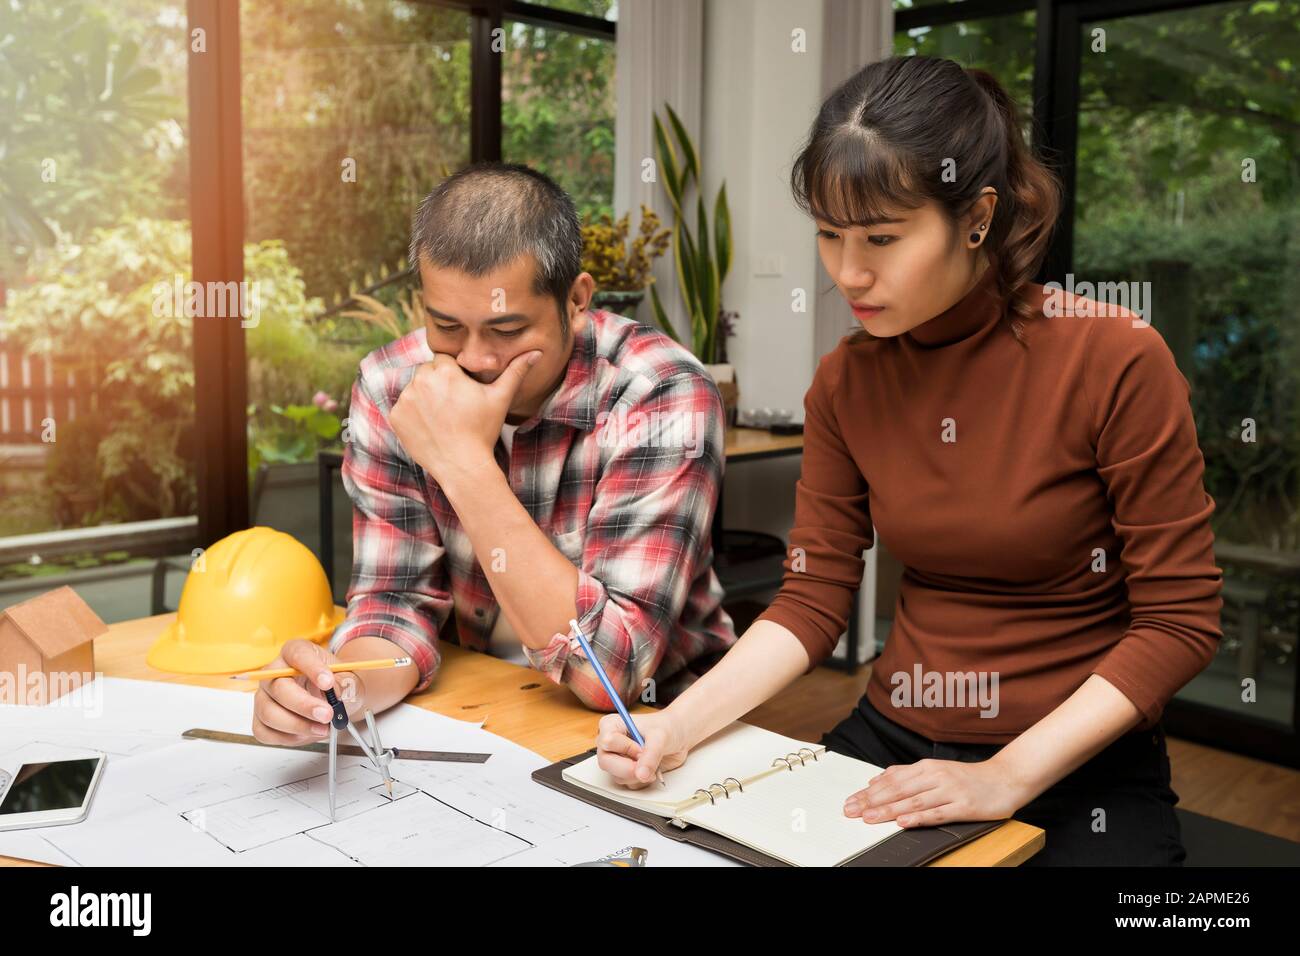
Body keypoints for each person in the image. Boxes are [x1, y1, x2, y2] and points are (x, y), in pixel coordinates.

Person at [594, 56, 1223, 866]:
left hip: (1078, 762)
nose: (848, 273)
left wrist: (1004, 777)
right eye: (828, 235)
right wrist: (676, 724)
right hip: (894, 739)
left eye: (883, 238)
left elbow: (1179, 620)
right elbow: (814, 597)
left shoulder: (1113, 358)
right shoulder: (848, 381)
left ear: (977, 217)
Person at [251, 162, 736, 748]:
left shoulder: (660, 392)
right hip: (494, 707)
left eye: (506, 330)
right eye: (447, 325)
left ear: (577, 299)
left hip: (663, 725)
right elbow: (397, 600)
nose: (477, 359)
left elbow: (611, 669)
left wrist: (464, 464)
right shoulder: (390, 387)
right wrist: (343, 691)